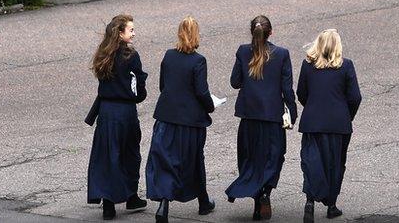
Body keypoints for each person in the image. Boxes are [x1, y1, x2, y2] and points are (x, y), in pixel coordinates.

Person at [225, 15, 298, 220]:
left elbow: (235, 82)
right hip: (272, 116)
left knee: (250, 159)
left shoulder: (243, 51)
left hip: (249, 116)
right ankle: (265, 193)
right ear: (271, 32)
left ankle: (257, 199)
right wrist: (292, 112)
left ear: (252, 32)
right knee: (273, 158)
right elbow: (287, 89)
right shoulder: (282, 54)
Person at [145, 16, 217, 223]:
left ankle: (164, 205)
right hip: (190, 121)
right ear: (196, 35)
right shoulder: (198, 60)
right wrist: (210, 106)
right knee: (194, 160)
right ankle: (203, 201)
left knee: (165, 160)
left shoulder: (169, 56)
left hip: (167, 117)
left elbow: (162, 86)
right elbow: (202, 92)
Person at [85, 14, 149, 220]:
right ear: (120, 33)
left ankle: (108, 204)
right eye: (130, 30)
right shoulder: (130, 56)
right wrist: (139, 94)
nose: (134, 33)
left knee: (107, 156)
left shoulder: (103, 54)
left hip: (105, 112)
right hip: (125, 112)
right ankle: (130, 195)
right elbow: (138, 89)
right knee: (129, 153)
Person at [296, 29, 361, 223]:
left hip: (313, 122)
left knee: (312, 161)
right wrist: (347, 115)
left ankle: (310, 200)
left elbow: (301, 93)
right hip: (338, 123)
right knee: (335, 163)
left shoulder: (308, 66)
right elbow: (355, 97)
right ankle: (331, 205)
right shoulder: (346, 66)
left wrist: (313, 107)